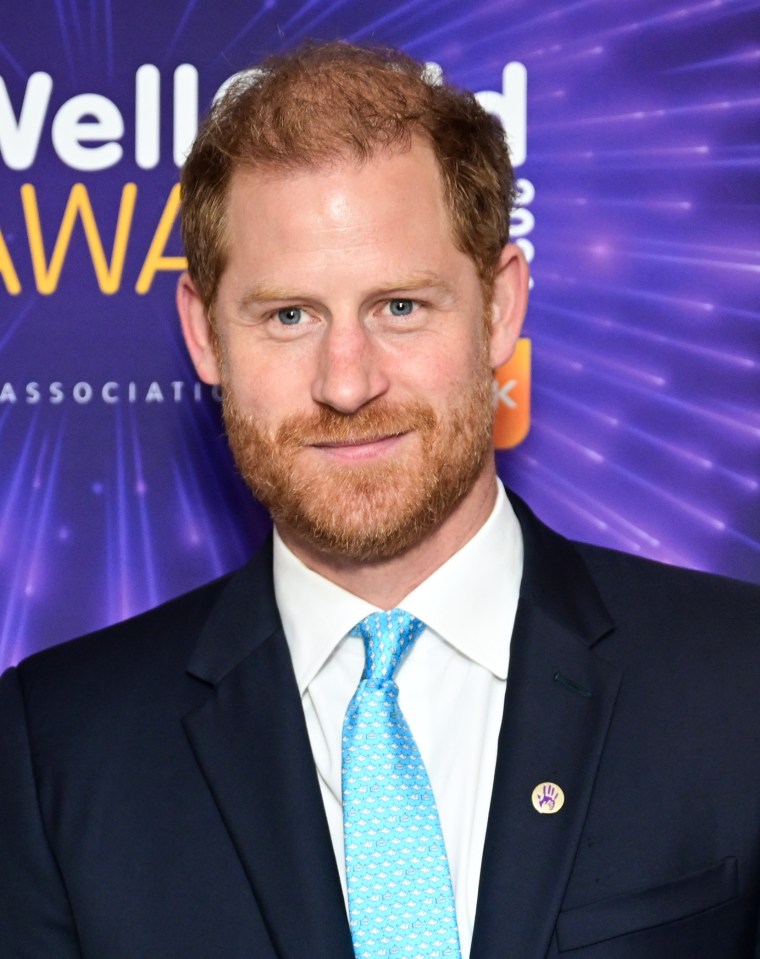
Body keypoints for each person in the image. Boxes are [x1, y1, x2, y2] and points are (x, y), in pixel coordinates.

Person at [1, 41, 759, 959]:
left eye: (399, 306)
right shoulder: (58, 748)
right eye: (290, 315)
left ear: (500, 306)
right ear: (203, 333)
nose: (347, 382)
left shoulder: (736, 680)